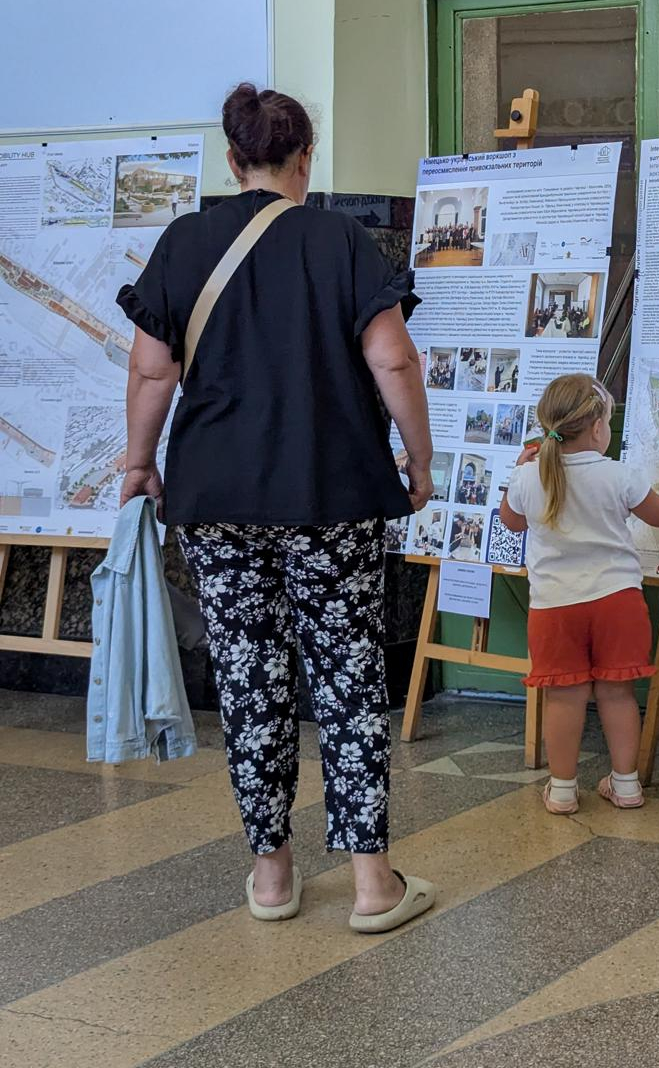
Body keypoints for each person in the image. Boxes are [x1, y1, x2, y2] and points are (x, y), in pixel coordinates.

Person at [116, 83, 437, 933]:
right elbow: (393, 361)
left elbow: (151, 370)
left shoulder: (184, 242)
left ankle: (271, 877)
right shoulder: (340, 240)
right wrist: (420, 458)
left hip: (217, 499)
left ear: (233, 160)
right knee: (349, 675)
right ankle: (372, 885)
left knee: (249, 678)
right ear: (305, 159)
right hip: (332, 495)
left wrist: (140, 462)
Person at [500, 374, 659, 815]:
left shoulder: (528, 477)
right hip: (618, 603)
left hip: (553, 609)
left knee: (564, 697)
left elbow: (512, 523)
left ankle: (562, 790)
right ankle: (626, 785)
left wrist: (519, 468)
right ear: (596, 428)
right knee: (617, 694)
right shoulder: (618, 474)